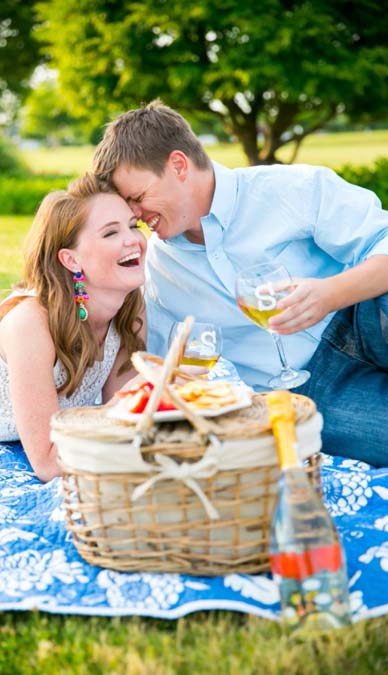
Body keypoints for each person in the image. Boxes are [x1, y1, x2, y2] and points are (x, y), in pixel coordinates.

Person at [92, 100, 388, 466]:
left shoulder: (288, 188)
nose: (134, 215)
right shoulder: (156, 271)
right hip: (310, 388)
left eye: (137, 198)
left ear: (178, 165)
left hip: (363, 312)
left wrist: (331, 293)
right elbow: (158, 366)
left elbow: (382, 239)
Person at [0, 173, 147, 481]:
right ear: (71, 259)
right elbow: (49, 464)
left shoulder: (130, 307)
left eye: (133, 225)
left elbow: (122, 418)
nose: (133, 240)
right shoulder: (30, 323)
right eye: (110, 233)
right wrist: (144, 393)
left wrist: (155, 391)